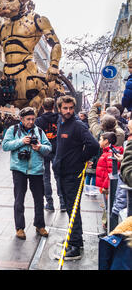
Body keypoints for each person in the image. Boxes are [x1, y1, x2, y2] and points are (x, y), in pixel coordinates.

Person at [52, 95, 100, 260]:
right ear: (59, 109)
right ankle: (73, 239)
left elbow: (94, 145)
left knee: (73, 210)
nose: (68, 111)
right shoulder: (61, 123)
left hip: (73, 174)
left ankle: (75, 246)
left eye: (71, 108)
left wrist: (81, 159)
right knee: (71, 208)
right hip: (62, 173)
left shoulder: (78, 125)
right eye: (65, 108)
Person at [2, 107, 52, 240]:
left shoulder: (39, 131)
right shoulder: (13, 130)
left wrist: (40, 147)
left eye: (32, 119)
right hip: (19, 169)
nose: (31, 121)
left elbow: (49, 148)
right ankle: (20, 228)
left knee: (39, 199)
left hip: (36, 170)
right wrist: (21, 141)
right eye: (28, 119)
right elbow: (5, 146)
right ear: (21, 119)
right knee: (19, 199)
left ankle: (40, 225)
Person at [35, 97, 66, 212]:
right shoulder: (59, 118)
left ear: (43, 107)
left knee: (45, 178)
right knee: (59, 176)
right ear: (53, 107)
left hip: (43, 150)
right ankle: (63, 203)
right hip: (58, 150)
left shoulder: (38, 121)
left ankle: (49, 203)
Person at [95, 132, 123, 232]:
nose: (99, 141)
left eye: (101, 139)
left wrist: (106, 187)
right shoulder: (106, 152)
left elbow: (111, 173)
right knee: (107, 207)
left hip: (108, 188)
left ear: (106, 142)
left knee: (109, 206)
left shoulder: (109, 154)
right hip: (106, 187)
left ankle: (109, 229)